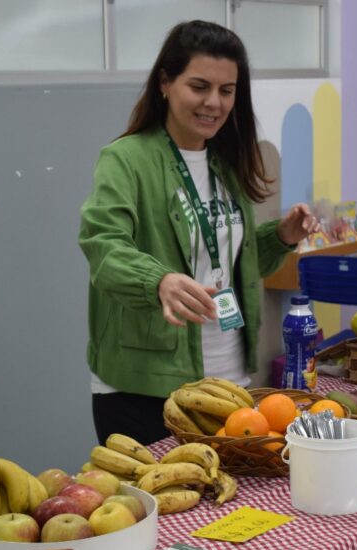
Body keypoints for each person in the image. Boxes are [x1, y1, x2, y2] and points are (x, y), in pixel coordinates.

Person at [80, 20, 318, 447]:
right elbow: (104, 247)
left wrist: (280, 236)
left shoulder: (224, 162)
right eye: (199, 86)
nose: (214, 102)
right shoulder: (125, 159)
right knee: (168, 510)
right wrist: (158, 280)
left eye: (226, 91)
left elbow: (232, 263)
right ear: (165, 83)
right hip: (146, 388)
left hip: (228, 380)